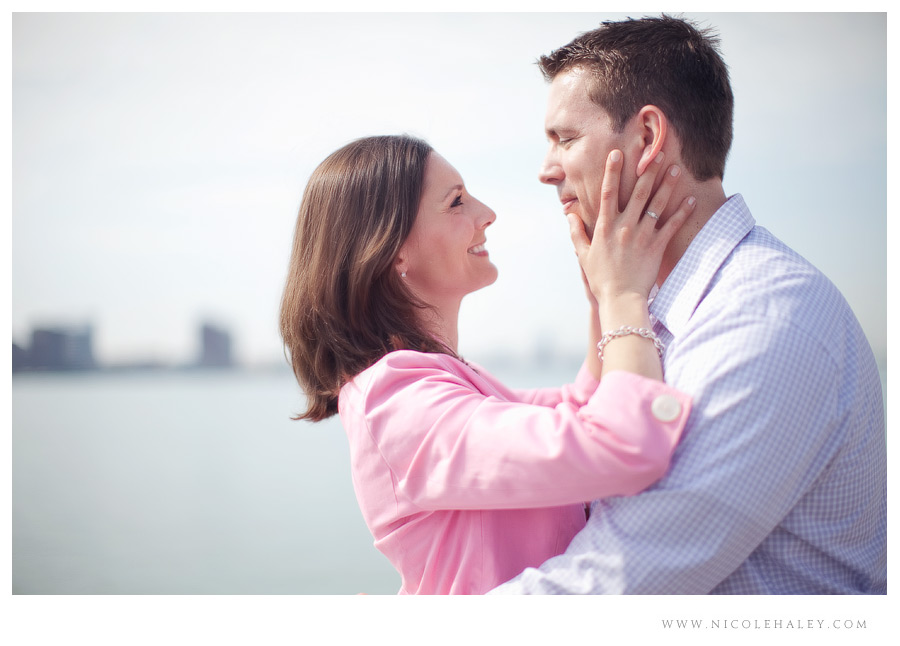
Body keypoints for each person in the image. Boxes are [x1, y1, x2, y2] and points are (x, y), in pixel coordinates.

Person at [492, 15, 886, 594]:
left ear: (647, 139)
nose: (547, 170)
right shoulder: (663, 315)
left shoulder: (762, 321)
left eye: (565, 138)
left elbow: (613, 586)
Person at [279, 134, 696, 594]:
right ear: (393, 249)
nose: (486, 214)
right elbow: (621, 443)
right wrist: (625, 296)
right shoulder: (396, 401)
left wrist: (602, 300)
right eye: (457, 202)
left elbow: (577, 409)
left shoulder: (440, 382)